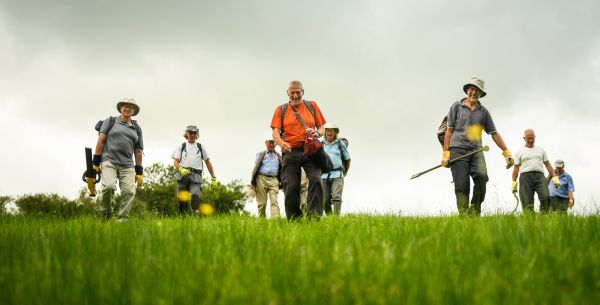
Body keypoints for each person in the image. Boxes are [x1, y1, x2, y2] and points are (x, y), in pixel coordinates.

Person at [442, 77, 514, 215]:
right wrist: (446, 154)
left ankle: (474, 213)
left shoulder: (484, 112)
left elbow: (494, 134)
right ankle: (464, 217)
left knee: (482, 178)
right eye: (472, 89)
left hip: (477, 151)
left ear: (481, 94)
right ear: (467, 90)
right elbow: (449, 131)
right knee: (462, 186)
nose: (474, 92)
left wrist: (507, 153)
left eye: (477, 91)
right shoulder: (456, 107)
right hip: (458, 150)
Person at [271, 80, 327, 220]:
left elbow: (322, 127)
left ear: (303, 92)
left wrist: (318, 133)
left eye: (298, 92)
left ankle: (314, 217)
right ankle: (295, 219)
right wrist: (281, 142)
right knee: (290, 185)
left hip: (310, 150)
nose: (295, 95)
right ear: (287, 93)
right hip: (290, 151)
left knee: (315, 180)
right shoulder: (281, 109)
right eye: (292, 92)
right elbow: (275, 132)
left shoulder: (312, 105)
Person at [92, 98, 144, 220]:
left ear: (134, 111)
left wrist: (139, 172)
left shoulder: (137, 128)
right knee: (108, 187)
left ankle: (122, 220)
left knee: (129, 192)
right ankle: (106, 214)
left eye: (131, 107)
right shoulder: (110, 121)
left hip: (127, 165)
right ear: (120, 108)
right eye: (125, 106)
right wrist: (96, 161)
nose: (127, 108)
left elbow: (138, 151)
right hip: (109, 161)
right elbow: (101, 141)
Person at [511, 129, 560, 213]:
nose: (530, 141)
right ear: (524, 138)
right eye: (528, 139)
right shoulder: (519, 151)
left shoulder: (541, 150)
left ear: (535, 137)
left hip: (540, 176)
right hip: (525, 178)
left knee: (546, 197)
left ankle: (543, 216)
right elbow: (516, 168)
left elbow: (547, 164)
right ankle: (530, 219)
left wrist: (554, 177)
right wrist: (514, 182)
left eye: (532, 138)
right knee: (527, 202)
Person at [172, 125, 217, 215]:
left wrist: (213, 178)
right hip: (182, 176)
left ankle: (195, 218)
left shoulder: (200, 147)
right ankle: (182, 220)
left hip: (196, 176)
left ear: (197, 135)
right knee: (182, 200)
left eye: (194, 133)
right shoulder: (182, 146)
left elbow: (208, 162)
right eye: (190, 133)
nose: (192, 135)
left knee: (195, 197)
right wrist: (181, 169)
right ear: (187, 134)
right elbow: (175, 162)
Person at [321, 123, 350, 215]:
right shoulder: (321, 144)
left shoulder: (340, 144)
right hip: (324, 175)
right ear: (325, 132)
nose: (329, 133)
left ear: (335, 133)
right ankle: (330, 219)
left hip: (338, 174)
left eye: (331, 131)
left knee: (337, 197)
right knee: (325, 201)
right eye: (327, 130)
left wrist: (345, 171)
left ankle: (336, 219)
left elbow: (347, 159)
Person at [250, 138, 282, 218]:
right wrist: (252, 183)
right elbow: (255, 168)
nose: (271, 144)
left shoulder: (278, 156)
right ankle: (262, 221)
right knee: (262, 203)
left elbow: (282, 168)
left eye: (273, 143)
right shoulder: (261, 154)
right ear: (266, 143)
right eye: (270, 142)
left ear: (276, 144)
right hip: (261, 179)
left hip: (274, 180)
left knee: (274, 201)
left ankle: (276, 222)